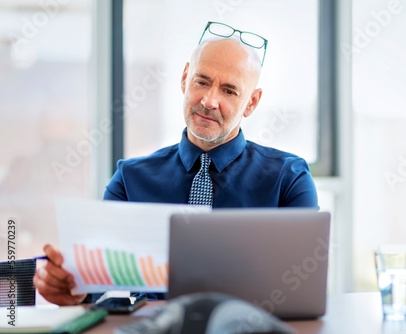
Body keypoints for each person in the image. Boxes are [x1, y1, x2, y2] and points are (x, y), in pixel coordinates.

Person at [34, 22, 318, 306]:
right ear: (184, 78)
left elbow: (304, 286)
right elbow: (94, 281)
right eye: (202, 81)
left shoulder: (289, 178)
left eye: (229, 91)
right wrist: (71, 285)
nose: (209, 101)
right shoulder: (130, 179)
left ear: (251, 103)